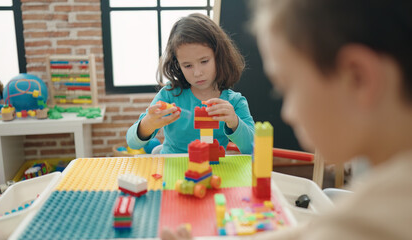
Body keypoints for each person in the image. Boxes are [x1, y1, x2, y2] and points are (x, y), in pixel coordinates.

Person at [161, 0, 412, 239]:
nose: (287, 113)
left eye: (287, 87)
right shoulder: (385, 189)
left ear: (358, 78)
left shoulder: (383, 219)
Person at [126, 13, 255, 154]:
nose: (197, 73)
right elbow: (132, 142)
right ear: (177, 65)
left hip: (213, 171)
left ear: (219, 56)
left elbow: (252, 147)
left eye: (204, 61)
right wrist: (147, 124)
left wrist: (234, 122)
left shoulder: (234, 102)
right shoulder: (169, 95)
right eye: (188, 65)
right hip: (172, 170)